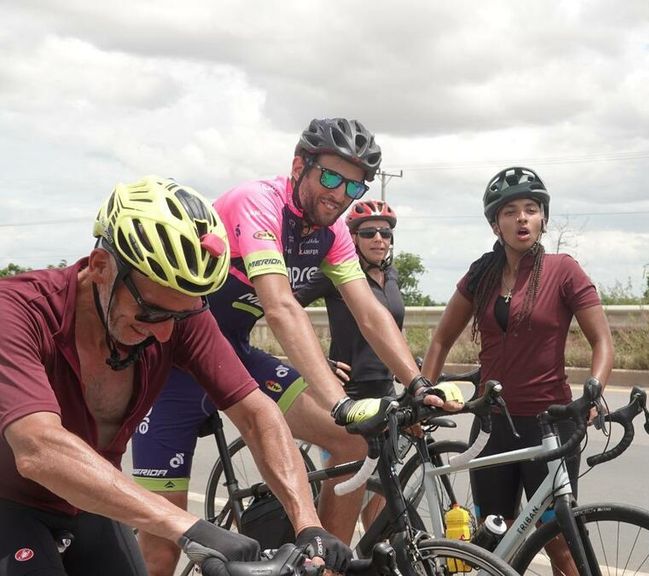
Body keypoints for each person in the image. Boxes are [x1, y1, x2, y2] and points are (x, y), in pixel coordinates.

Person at [131, 119, 455, 575]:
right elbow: (281, 307)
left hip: (232, 357)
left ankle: (324, 566)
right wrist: (340, 402)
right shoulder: (258, 203)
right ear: (299, 166)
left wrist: (417, 383)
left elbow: (369, 312)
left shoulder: (332, 233)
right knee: (161, 551)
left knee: (351, 444)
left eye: (354, 186)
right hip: (172, 367)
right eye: (331, 177)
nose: (340, 194)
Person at [0, 176, 350, 575]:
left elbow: (256, 414)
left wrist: (308, 522)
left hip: (87, 500)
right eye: (152, 312)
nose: (166, 333)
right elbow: (38, 448)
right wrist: (189, 528)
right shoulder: (17, 311)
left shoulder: (177, 311)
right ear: (100, 267)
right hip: (9, 502)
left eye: (180, 316)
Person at [421, 166, 614, 574]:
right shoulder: (481, 274)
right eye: (510, 212)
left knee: (559, 541)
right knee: (495, 542)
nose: (522, 218)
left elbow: (602, 341)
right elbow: (440, 340)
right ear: (496, 224)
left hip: (550, 423)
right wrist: (423, 391)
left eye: (531, 209)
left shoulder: (563, 270)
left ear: (543, 218)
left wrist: (594, 389)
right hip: (491, 425)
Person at [294, 199, 404, 525]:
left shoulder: (392, 275)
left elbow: (389, 329)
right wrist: (319, 361)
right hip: (347, 395)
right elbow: (288, 306)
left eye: (385, 233)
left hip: (385, 391)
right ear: (353, 238)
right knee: (345, 499)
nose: (379, 239)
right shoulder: (337, 274)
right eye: (369, 233)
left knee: (381, 501)